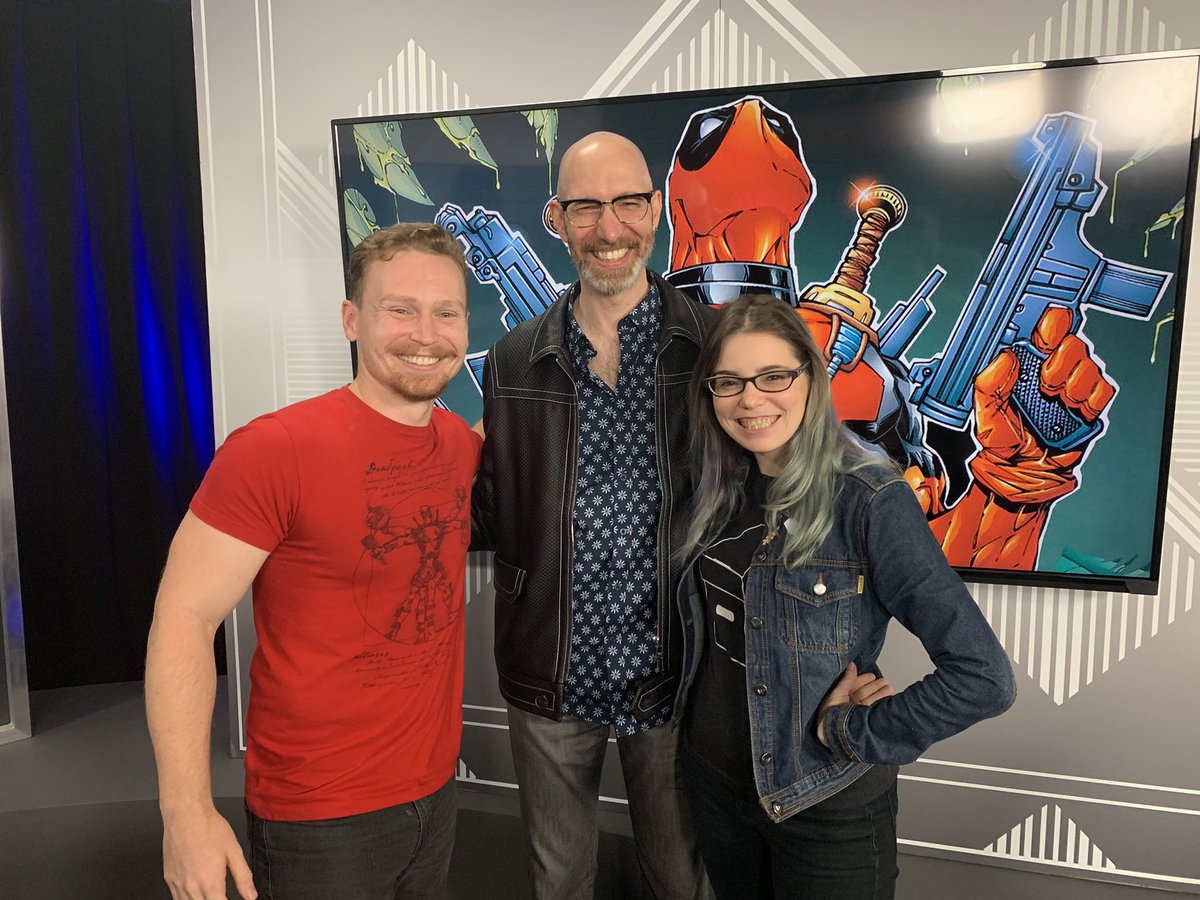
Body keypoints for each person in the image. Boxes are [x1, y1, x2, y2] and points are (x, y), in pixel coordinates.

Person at [145, 222, 482, 900]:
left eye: (446, 312)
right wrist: (185, 814)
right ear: (352, 320)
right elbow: (184, 617)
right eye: (401, 309)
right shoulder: (274, 451)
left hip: (436, 793)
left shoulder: (459, 446)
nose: (426, 333)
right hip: (319, 816)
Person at [678, 293, 1016, 899]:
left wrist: (855, 732)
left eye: (773, 376)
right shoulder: (714, 490)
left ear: (811, 378)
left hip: (823, 801)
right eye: (728, 382)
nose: (750, 399)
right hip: (716, 788)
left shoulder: (869, 498)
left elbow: (984, 677)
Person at [471, 131, 714, 899]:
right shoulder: (512, 358)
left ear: (656, 208)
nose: (610, 229)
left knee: (682, 878)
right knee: (558, 881)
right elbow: (490, 511)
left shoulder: (714, 348)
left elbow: (778, 500)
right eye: (586, 208)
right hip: (550, 663)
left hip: (679, 671)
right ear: (556, 218)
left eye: (628, 203)